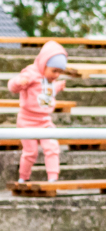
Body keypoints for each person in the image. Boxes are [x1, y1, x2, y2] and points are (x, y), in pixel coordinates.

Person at [8, 41, 68, 183]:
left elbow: (47, 91)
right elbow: (12, 86)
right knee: (30, 152)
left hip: (44, 120)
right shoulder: (31, 73)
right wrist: (19, 82)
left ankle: (53, 177)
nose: (56, 75)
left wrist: (58, 86)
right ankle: (23, 177)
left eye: (60, 72)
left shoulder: (50, 79)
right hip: (27, 120)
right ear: (44, 64)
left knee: (52, 147)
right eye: (54, 71)